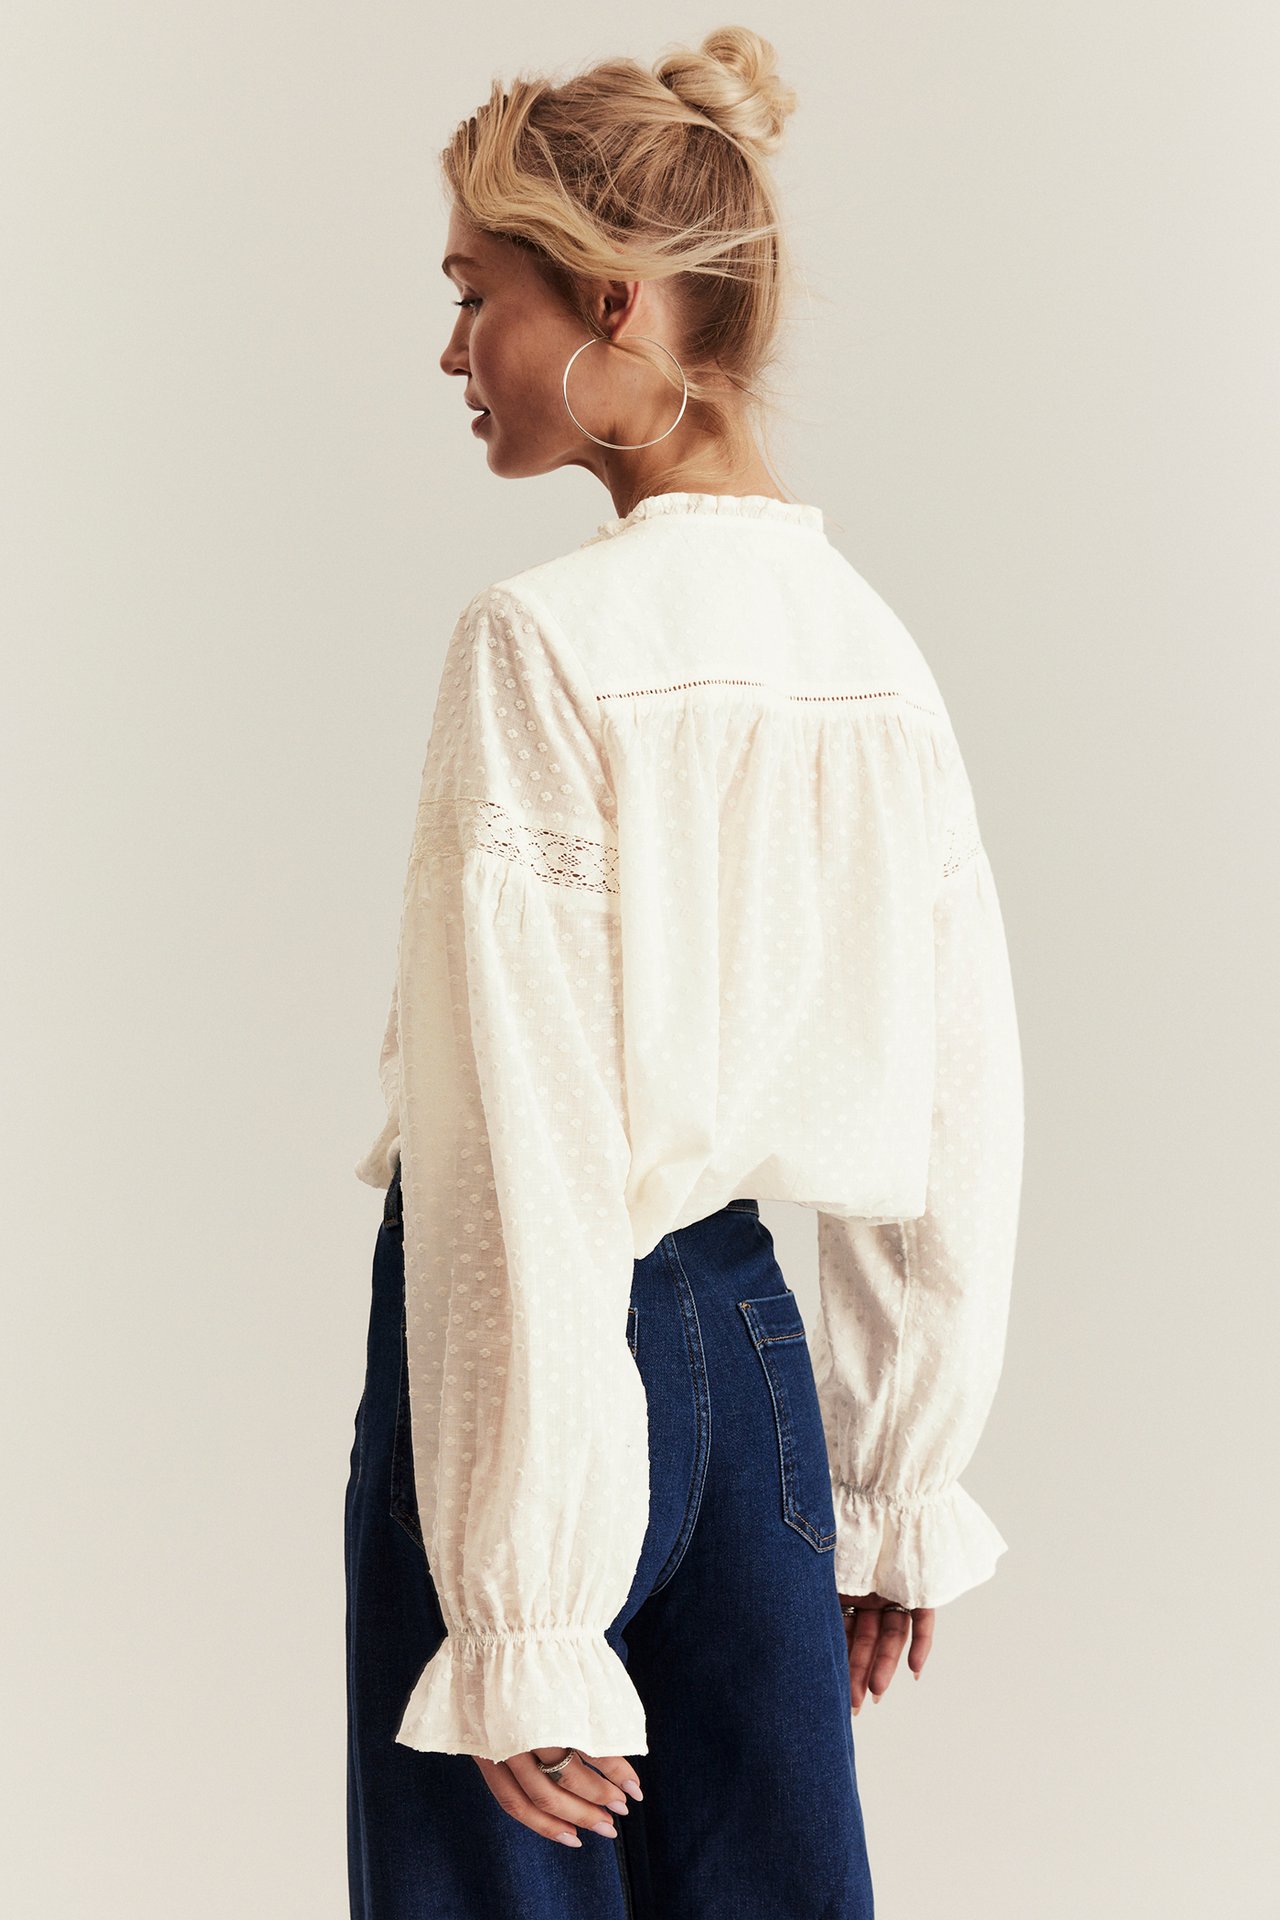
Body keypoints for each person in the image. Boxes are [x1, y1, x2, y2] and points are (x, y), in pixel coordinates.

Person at [345, 25, 1024, 1920]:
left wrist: (523, 1602)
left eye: (481, 297)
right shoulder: (873, 651)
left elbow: (525, 1149)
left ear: (615, 302)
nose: (453, 352)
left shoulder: (543, 645)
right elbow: (959, 1097)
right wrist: (899, 1477)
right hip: (754, 1344)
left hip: (544, 1347)